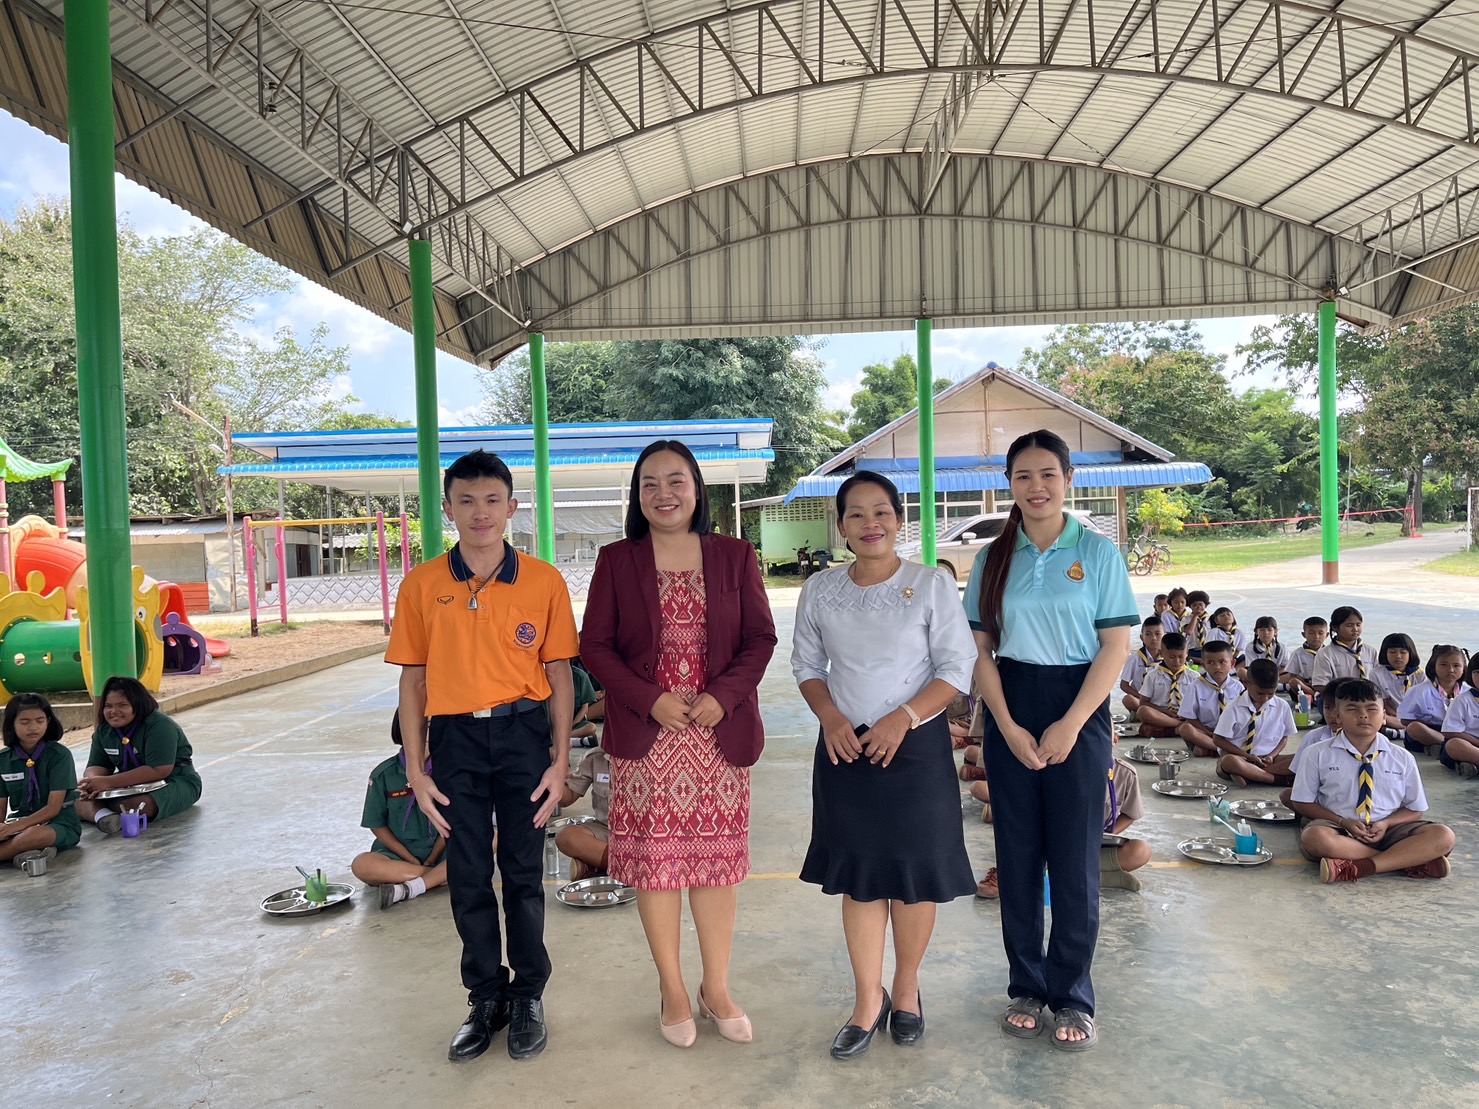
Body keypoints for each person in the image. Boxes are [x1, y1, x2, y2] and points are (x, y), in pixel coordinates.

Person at [386, 448, 580, 1064]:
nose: (480, 513)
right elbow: (413, 681)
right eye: (466, 501)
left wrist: (559, 760)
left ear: (512, 507)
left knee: (522, 871)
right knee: (468, 873)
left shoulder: (544, 581)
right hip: (455, 741)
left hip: (523, 734)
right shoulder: (422, 585)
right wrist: (416, 770)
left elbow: (560, 674)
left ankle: (527, 995)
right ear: (447, 508)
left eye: (492, 500)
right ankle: (484, 997)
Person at [582, 440, 777, 1049]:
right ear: (637, 495)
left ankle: (715, 988)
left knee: (716, 865)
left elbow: (760, 638)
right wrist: (649, 699)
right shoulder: (617, 560)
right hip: (649, 738)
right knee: (658, 867)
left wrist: (724, 695)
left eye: (676, 481)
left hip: (717, 735)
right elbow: (595, 646)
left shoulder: (734, 555)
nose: (663, 494)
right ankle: (672, 990)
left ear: (697, 489)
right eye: (650, 483)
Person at [793, 470, 976, 1059]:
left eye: (881, 512)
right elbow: (807, 666)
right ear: (841, 526)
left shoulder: (930, 584)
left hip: (915, 747)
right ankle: (865, 1001)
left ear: (899, 520)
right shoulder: (820, 590)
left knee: (915, 879)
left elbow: (956, 668)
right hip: (845, 749)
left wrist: (904, 717)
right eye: (856, 514)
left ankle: (907, 989)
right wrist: (830, 718)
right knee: (862, 879)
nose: (870, 523)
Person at [963, 429, 1136, 1052]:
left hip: (1079, 705)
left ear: (1068, 479)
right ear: (1008, 484)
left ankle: (1073, 996)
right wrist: (1007, 726)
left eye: (1047, 475)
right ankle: (1027, 987)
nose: (1036, 487)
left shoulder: (1097, 552)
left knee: (1073, 861)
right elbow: (980, 652)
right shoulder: (992, 558)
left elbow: (1114, 647)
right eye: (1023, 476)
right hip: (1011, 700)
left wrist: (1072, 722)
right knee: (1017, 856)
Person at [1289, 678, 1456, 883]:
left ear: (1384, 716)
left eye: (1371, 709)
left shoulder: (1402, 757)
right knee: (1314, 838)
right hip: (1338, 827)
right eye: (1352, 709)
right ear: (1337, 716)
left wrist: (1386, 823)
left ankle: (1360, 867)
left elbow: (1415, 809)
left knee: (1443, 835)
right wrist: (1343, 822)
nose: (1363, 715)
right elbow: (1302, 802)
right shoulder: (1317, 753)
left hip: (1389, 830)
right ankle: (1407, 861)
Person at [976, 755, 1151, 899]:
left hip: (1092, 844)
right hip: (1051, 844)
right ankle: (1100, 877)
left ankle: (1061, 876)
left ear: (1115, 739)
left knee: (1140, 851)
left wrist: (1106, 834)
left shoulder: (1125, 773)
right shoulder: (1057, 766)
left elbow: (1130, 814)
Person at [76, 677, 202, 832]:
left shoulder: (159, 725)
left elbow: (159, 770)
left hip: (175, 780)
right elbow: (97, 765)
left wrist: (108, 782)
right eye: (108, 706)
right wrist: (91, 783)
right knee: (71, 795)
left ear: (137, 705)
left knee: (135, 805)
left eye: (122, 705)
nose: (113, 711)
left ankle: (99, 812)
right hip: (126, 785)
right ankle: (105, 817)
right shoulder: (104, 730)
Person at [351, 712, 447, 910]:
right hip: (398, 856)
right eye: (419, 724)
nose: (426, 731)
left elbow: (456, 821)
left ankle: (414, 885)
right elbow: (377, 825)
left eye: (431, 725)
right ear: (402, 728)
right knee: (361, 864)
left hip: (444, 850)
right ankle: (440, 877)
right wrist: (410, 858)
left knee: (492, 838)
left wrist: (432, 857)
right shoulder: (383, 774)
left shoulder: (451, 771)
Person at [0, 694, 80, 868]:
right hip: (18, 823)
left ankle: (18, 849)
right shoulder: (3, 760)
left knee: (32, 836)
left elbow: (53, 808)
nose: (33, 727)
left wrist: (14, 828)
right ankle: (28, 852)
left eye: (40, 721)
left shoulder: (59, 755)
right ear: (11, 724)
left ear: (48, 722)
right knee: (24, 836)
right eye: (25, 722)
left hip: (58, 824)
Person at [1213, 660, 1297, 787]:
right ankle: (1275, 779)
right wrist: (1247, 757)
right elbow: (1218, 739)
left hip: (1268, 759)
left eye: (1271, 693)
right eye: (1260, 693)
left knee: (1302, 757)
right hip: (1239, 756)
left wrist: (1271, 756)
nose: (1265, 698)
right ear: (1246, 683)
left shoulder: (1282, 706)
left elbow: (1284, 738)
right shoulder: (1233, 707)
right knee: (1228, 762)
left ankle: (1251, 774)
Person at [1176, 641, 1244, 757]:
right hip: (1206, 731)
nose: (1217, 667)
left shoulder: (1238, 687)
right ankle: (1227, 750)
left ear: (1232, 663)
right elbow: (1190, 717)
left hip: (1230, 733)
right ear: (1203, 664)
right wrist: (1209, 733)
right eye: (1210, 662)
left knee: (1199, 751)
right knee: (1185, 728)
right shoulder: (1195, 686)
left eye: (1222, 662)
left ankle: (1211, 748)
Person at [555, 743, 612, 881]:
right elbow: (567, 798)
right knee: (567, 838)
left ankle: (597, 866)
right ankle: (629, 868)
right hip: (606, 829)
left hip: (645, 835)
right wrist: (557, 770)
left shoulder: (654, 758)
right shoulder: (596, 757)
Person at [1398, 645, 1466, 757]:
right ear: (1433, 665)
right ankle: (1445, 746)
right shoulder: (1420, 690)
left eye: (1456, 666)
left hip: (1458, 733)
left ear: (1464, 669)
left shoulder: (1468, 692)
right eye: (1444, 665)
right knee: (1414, 727)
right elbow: (1405, 720)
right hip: (1429, 730)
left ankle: (1439, 748)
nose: (1450, 670)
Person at [1131, 633, 1189, 736]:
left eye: (1181, 657)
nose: (1177, 661)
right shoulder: (1152, 675)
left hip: (1185, 715)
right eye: (1172, 657)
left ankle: (1172, 730)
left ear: (1187, 653)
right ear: (1161, 653)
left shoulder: (1194, 677)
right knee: (1143, 711)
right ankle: (1180, 726)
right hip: (1161, 714)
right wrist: (1165, 712)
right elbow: (1143, 703)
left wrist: (1185, 713)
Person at [1311, 606, 1378, 694]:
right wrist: (1346, 696)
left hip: (1369, 697)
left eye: (1358, 625)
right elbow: (1319, 685)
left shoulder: (1371, 651)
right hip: (1338, 698)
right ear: (1335, 628)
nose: (1355, 629)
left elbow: (1378, 678)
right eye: (1349, 625)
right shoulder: (1325, 654)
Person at [1438, 653, 1479, 780]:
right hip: (1469, 744)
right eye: (1477, 672)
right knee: (1454, 744)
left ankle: (1471, 767)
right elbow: (1450, 732)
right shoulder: (1463, 700)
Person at [1374, 632, 1425, 733]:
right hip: (1392, 715)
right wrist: (1398, 715)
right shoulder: (1377, 673)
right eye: (1392, 652)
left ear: (1410, 653)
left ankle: (1401, 732)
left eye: (1403, 652)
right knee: (1378, 715)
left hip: (1415, 716)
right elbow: (1384, 703)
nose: (1398, 656)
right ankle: (1405, 731)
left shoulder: (1419, 674)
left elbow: (1422, 703)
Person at [1281, 616, 1328, 712]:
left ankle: (1318, 697)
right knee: (1293, 682)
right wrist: (1306, 683)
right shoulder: (1297, 653)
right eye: (1311, 633)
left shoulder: (1329, 653)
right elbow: (1292, 676)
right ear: (1303, 634)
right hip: (1305, 686)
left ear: (1327, 635)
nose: (1316, 636)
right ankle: (1316, 697)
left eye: (1320, 633)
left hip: (1323, 686)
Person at [1118, 618, 1162, 714]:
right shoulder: (1134, 658)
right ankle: (1151, 714)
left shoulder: (1169, 658)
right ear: (1142, 637)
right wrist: (1142, 697)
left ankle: (1144, 715)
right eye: (1148, 634)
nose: (1154, 638)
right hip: (1141, 700)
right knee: (1128, 699)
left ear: (1164, 636)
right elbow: (1124, 685)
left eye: (1158, 634)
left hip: (1163, 702)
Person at [1180, 590, 1212, 663]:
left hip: (1208, 650)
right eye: (1194, 605)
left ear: (1205, 605)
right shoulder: (1186, 619)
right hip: (1192, 651)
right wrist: (1195, 616)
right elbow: (1189, 631)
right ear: (1190, 607)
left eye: (1201, 604)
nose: (1198, 607)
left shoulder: (1211, 619)